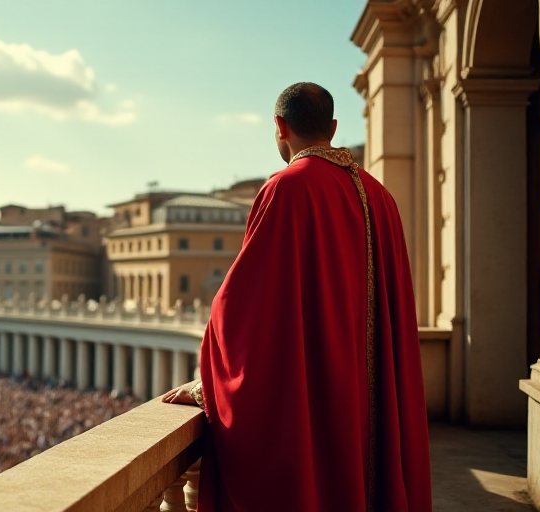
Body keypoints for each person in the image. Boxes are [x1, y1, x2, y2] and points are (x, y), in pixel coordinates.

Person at [163, 82, 432, 512]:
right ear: (334, 126)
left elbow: (243, 307)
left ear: (280, 126)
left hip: (322, 394)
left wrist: (209, 386)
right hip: (370, 401)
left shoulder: (286, 188)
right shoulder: (381, 197)